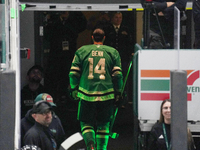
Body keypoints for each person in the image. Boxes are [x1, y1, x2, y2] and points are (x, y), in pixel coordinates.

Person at [69, 28, 123, 150]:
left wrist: (74, 88)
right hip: (107, 93)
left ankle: (90, 145)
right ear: (104, 38)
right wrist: (119, 92)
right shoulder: (113, 51)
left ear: (92, 38)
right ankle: (101, 148)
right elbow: (118, 75)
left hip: (86, 93)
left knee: (86, 122)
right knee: (103, 124)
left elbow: (73, 73)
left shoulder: (82, 50)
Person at [44, 11, 87, 101]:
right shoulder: (54, 20)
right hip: (56, 54)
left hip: (69, 54)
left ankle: (67, 97)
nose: (64, 13)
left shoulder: (73, 22)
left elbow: (83, 25)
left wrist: (75, 10)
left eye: (66, 11)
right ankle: (55, 98)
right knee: (54, 77)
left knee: (68, 76)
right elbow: (47, 34)